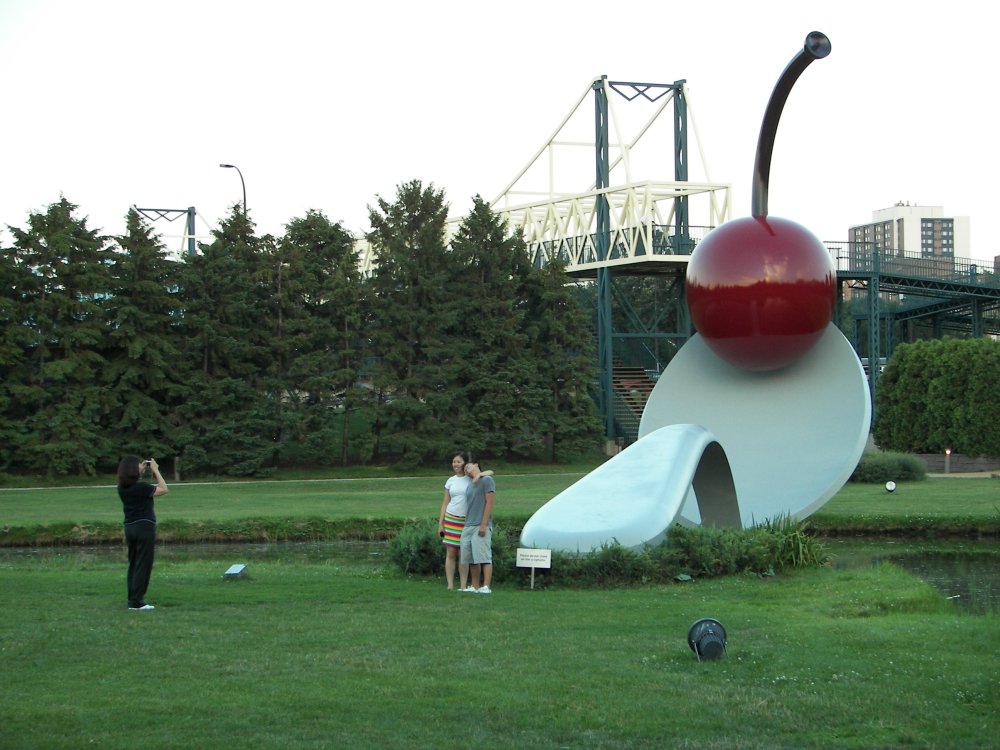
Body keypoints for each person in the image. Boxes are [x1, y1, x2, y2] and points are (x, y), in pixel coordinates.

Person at [117, 455, 168, 611]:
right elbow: (164, 489)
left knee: (134, 563)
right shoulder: (141, 488)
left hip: (130, 528)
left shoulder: (122, 488)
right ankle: (138, 601)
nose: (141, 465)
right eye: (139, 465)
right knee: (144, 564)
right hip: (144, 527)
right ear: (133, 469)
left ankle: (132, 598)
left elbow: (135, 482)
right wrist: (155, 470)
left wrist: (143, 470)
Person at [460, 458, 496, 594]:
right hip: (468, 525)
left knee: (484, 556)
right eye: (465, 470)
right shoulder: (470, 485)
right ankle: (474, 586)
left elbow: (489, 502)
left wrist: (484, 524)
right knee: (471, 558)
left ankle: (486, 586)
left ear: (476, 465)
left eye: (468, 466)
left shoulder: (487, 480)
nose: (467, 469)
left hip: (481, 524)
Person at [438, 452, 473, 591]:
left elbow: (487, 474)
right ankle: (450, 585)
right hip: (451, 518)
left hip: (466, 520)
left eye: (458, 461)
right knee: (451, 553)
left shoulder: (471, 479)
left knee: (464, 554)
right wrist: (441, 523)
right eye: (453, 462)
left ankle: (463, 585)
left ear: (464, 463)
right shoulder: (450, 481)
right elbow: (445, 503)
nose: (455, 464)